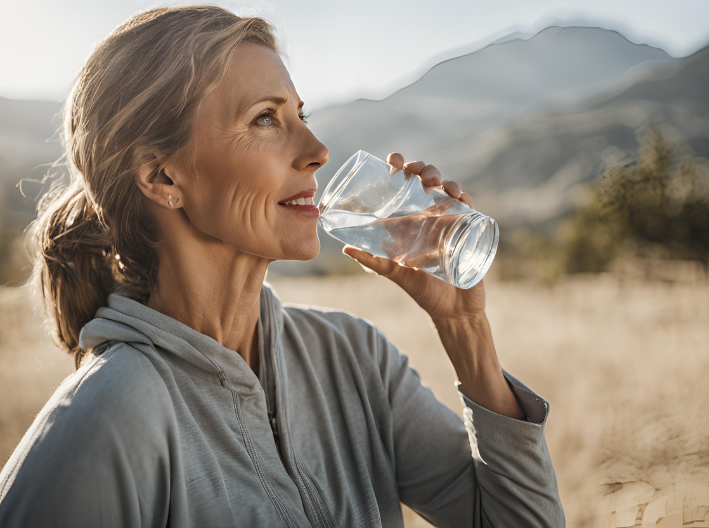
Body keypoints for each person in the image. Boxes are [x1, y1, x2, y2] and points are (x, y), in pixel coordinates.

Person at [0, 5, 564, 527]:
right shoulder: (105, 419)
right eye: (266, 118)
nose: (318, 148)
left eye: (302, 114)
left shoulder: (353, 357)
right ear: (163, 178)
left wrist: (464, 328)